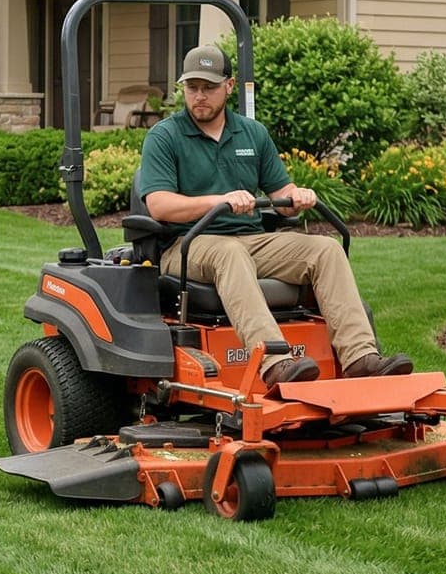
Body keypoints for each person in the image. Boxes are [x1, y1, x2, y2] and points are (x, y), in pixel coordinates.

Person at [138, 43, 411, 387]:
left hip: (252, 239)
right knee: (230, 253)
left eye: (208, 87)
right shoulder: (165, 137)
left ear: (230, 86)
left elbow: (281, 192)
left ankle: (359, 356)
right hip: (188, 243)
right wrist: (218, 201)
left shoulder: (253, 134)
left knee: (324, 249)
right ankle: (274, 361)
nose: (200, 96)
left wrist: (297, 197)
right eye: (192, 88)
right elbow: (159, 205)